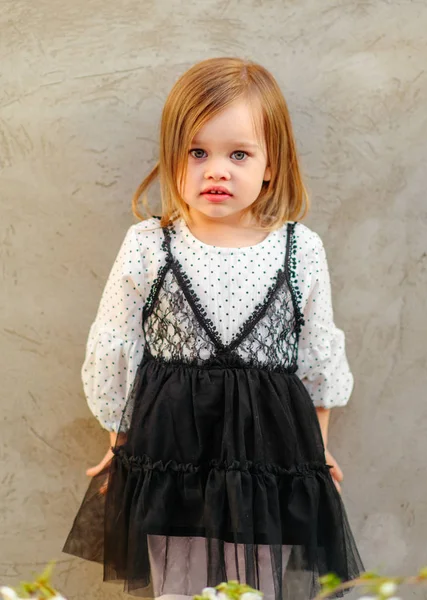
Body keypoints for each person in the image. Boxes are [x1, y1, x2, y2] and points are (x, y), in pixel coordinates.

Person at [63, 57, 364, 599]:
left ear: (271, 165)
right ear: (172, 157)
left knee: (256, 588)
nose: (216, 169)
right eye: (197, 152)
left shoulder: (300, 250)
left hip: (269, 459)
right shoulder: (150, 245)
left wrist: (317, 450)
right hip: (171, 454)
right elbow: (114, 345)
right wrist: (121, 438)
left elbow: (318, 356)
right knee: (176, 587)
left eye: (239, 154)